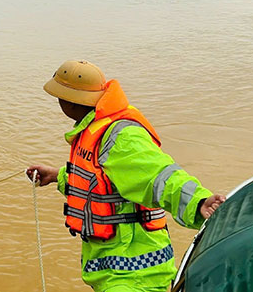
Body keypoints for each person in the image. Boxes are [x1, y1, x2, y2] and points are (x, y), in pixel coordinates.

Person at [26, 60, 225, 292]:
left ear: (68, 102)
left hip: (135, 272)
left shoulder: (121, 138)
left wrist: (198, 202)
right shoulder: (94, 130)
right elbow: (95, 183)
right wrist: (56, 176)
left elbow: (160, 176)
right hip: (113, 268)